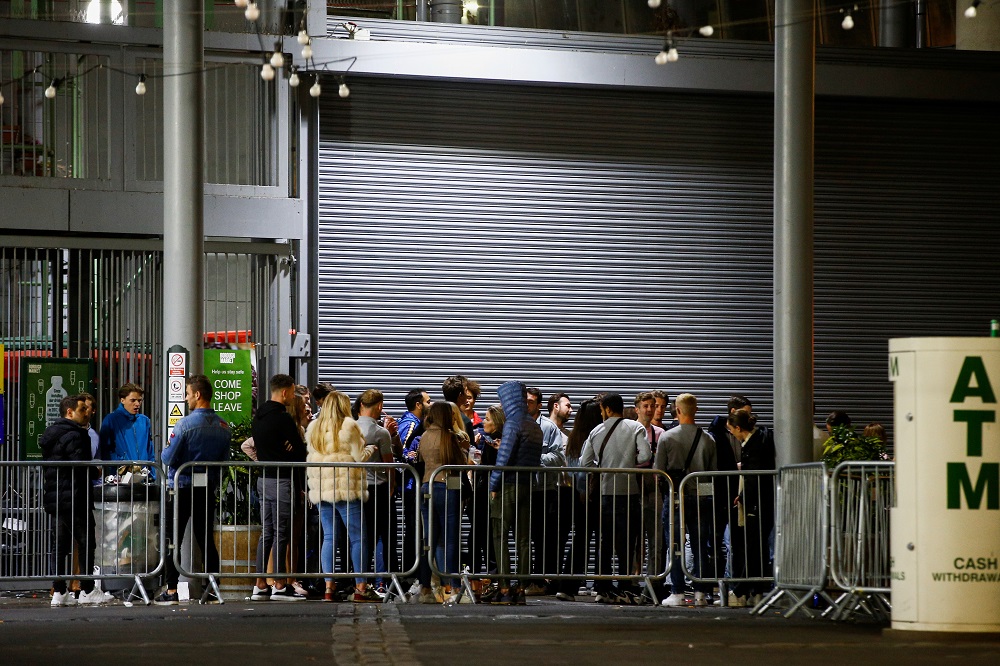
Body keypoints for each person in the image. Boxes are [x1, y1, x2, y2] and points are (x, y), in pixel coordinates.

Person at [156, 375, 231, 605]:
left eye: (188, 394)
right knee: (206, 538)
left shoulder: (184, 425)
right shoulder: (223, 426)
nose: (186, 398)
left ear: (197, 395)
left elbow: (168, 457)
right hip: (206, 490)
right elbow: (224, 461)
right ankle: (213, 587)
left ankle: (171, 589)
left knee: (172, 539)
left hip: (180, 488)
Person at [306, 390, 380, 602]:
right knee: (358, 538)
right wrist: (371, 449)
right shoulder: (350, 426)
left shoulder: (314, 428)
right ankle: (361, 586)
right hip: (347, 488)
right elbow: (358, 458)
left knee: (329, 537)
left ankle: (329, 587)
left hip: (322, 489)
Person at [41, 395, 112, 606]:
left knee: (59, 545)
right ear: (69, 412)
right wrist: (95, 472)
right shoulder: (77, 435)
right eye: (82, 409)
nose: (87, 412)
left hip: (56, 497)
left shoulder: (50, 434)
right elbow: (80, 465)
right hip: (76, 496)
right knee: (86, 541)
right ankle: (87, 590)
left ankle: (59, 591)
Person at [581, 392, 650, 604]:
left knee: (605, 542)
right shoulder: (635, 427)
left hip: (605, 493)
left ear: (607, 409)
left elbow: (585, 463)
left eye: (601, 409)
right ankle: (625, 586)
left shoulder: (596, 431)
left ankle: (602, 587)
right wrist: (629, 463)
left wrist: (602, 469)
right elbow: (646, 456)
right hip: (629, 493)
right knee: (627, 543)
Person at [656, 393, 717, 607]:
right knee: (700, 546)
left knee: (674, 544)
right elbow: (713, 473)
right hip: (701, 498)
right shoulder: (708, 439)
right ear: (696, 410)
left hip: (675, 498)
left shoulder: (667, 437)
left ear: (678, 411)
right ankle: (700, 592)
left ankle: (677, 592)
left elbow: (659, 471)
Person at [250, 374, 308, 601]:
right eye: (293, 392)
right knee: (281, 532)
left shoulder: (259, 416)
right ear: (284, 392)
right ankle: (280, 585)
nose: (293, 397)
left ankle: (260, 584)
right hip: (282, 479)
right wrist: (288, 451)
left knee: (267, 532)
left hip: (263, 479)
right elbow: (300, 451)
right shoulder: (283, 419)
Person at [489, 380, 542, 604]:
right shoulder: (534, 425)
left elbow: (504, 458)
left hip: (509, 485)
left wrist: (493, 484)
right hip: (527, 486)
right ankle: (521, 588)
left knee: (500, 535)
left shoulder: (513, 424)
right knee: (523, 540)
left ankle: (503, 588)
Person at [416, 401, 471, 604]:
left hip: (426, 487)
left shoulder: (425, 436)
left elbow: (421, 459)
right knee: (450, 539)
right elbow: (461, 464)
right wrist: (464, 450)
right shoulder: (451, 437)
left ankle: (426, 587)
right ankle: (454, 587)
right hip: (448, 488)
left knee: (430, 541)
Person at [726, 409, 777, 607]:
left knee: (750, 548)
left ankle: (743, 589)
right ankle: (756, 590)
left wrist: (744, 497)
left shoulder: (752, 446)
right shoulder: (762, 439)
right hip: (760, 502)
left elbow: (753, 477)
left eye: (732, 430)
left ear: (739, 428)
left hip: (755, 504)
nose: (732, 434)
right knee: (757, 547)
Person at [556, 398, 603, 602]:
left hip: (576, 495)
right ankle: (600, 584)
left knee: (581, 540)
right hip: (591, 496)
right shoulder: (592, 438)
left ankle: (568, 585)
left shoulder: (574, 438)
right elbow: (585, 471)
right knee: (599, 540)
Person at [525, 386, 565, 595]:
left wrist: (534, 460)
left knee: (542, 538)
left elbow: (559, 457)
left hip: (543, 490)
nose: (525, 405)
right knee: (524, 537)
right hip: (523, 489)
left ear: (539, 405)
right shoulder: (515, 426)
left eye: (530, 401)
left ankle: (541, 580)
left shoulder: (549, 427)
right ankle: (526, 578)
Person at [357, 389, 395, 594]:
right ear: (379, 406)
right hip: (377, 488)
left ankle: (359, 581)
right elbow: (389, 464)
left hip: (355, 488)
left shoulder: (349, 429)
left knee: (360, 536)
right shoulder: (381, 432)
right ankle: (381, 581)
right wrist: (392, 486)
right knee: (380, 535)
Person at [634, 391, 665, 595]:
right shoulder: (629, 430)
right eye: (645, 406)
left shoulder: (660, 433)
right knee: (634, 539)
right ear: (636, 409)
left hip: (654, 489)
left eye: (652, 406)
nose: (649, 409)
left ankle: (653, 584)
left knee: (656, 539)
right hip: (633, 487)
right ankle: (632, 581)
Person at [99, 382, 153, 466]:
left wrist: (151, 474)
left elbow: (149, 449)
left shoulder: (144, 420)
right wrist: (121, 464)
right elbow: (105, 449)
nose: (137, 404)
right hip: (120, 474)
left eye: (139, 400)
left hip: (143, 474)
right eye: (133, 400)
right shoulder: (111, 420)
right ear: (122, 400)